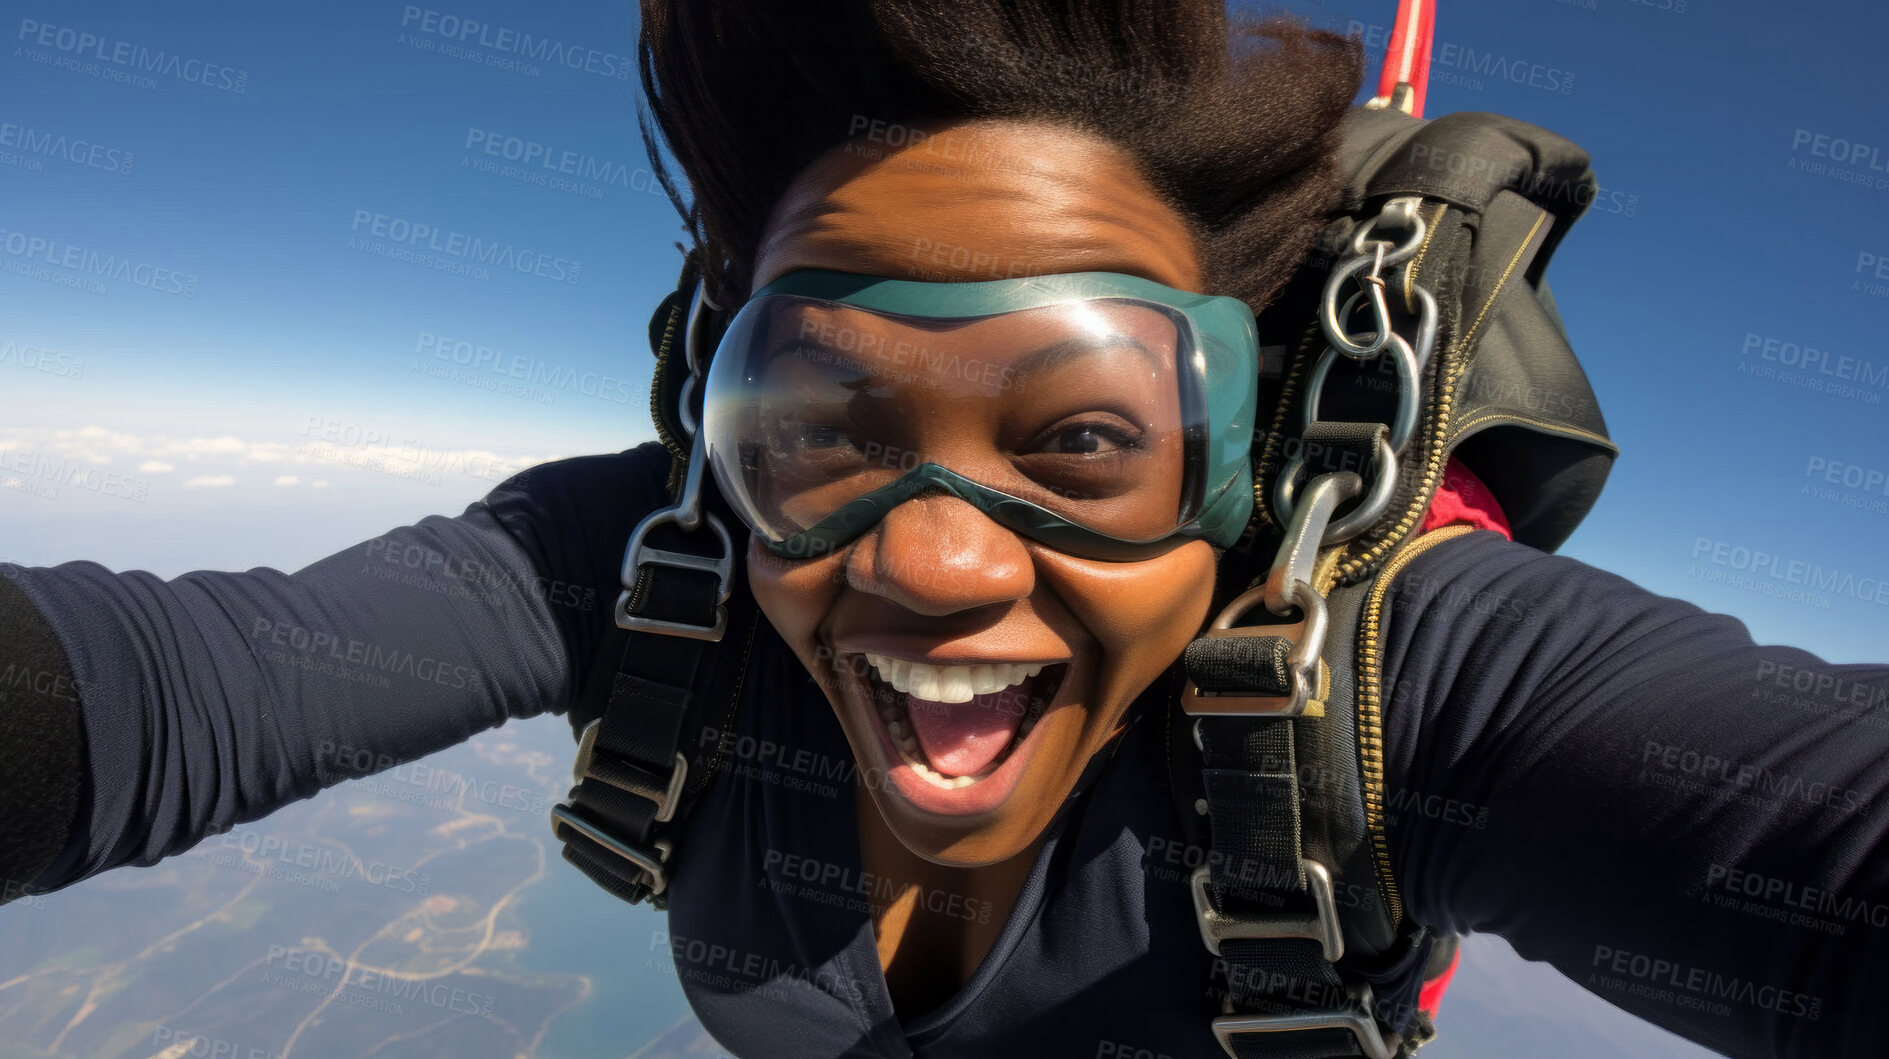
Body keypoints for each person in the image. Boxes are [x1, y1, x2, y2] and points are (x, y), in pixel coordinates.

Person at [4, 3, 1887, 1057]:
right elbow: (163, 690)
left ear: (1228, 469)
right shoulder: (671, 569)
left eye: (1077, 438)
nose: (933, 559)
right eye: (823, 424)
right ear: (721, 426)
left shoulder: (1401, 680)